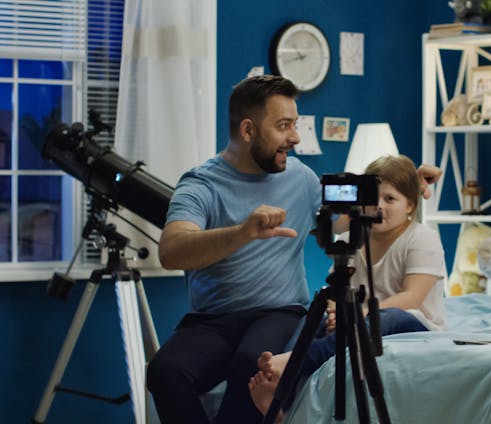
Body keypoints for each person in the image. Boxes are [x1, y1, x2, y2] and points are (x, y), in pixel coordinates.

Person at [146, 75, 443, 424]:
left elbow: (351, 212)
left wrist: (408, 182)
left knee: (252, 361)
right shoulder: (201, 184)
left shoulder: (300, 178)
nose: (296, 137)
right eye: (284, 126)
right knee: (164, 372)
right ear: (247, 130)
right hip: (213, 320)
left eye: (295, 125)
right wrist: (243, 232)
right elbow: (172, 250)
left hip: (279, 311)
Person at [248, 154, 447, 420]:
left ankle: (291, 362)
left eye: (390, 199)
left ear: (410, 205)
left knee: (389, 316)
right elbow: (338, 287)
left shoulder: (421, 237)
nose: (378, 206)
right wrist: (333, 311)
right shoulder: (352, 239)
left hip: (414, 323)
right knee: (315, 315)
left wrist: (360, 312)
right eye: (372, 197)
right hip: (360, 315)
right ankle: (280, 402)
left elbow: (412, 297)